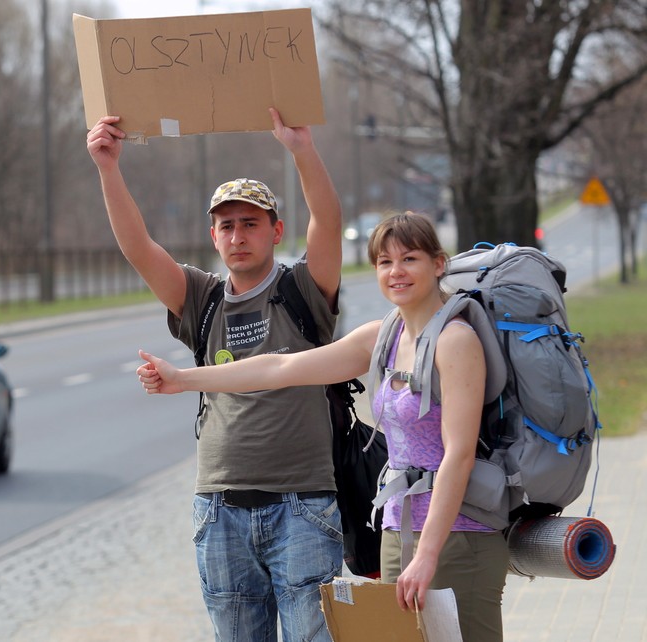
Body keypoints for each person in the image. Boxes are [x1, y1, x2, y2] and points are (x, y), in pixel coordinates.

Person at [136, 212, 509, 642]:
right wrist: (183, 380)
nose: (396, 272)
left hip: (459, 536)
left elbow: (458, 454)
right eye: (384, 262)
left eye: (409, 259)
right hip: (399, 531)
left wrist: (428, 555)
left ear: (438, 264)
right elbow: (280, 367)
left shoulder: (455, 340)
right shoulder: (383, 336)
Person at [87, 109, 346, 642]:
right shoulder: (202, 300)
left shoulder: (302, 291)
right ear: (213, 235)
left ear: (276, 230)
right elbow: (139, 248)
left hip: (302, 508)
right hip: (219, 511)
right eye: (227, 225)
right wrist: (108, 168)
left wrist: (301, 149)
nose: (238, 235)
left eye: (250, 223)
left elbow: (328, 223)